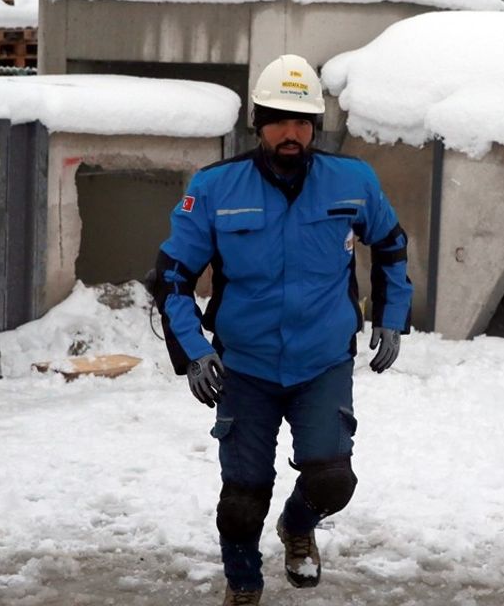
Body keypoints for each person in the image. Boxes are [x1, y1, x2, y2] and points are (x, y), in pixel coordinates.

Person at [151, 55, 412, 606]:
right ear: (257, 123)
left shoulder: (353, 180)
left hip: (322, 361)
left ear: (316, 125)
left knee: (332, 482)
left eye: (301, 121)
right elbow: (171, 277)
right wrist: (195, 352)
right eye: (276, 120)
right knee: (242, 499)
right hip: (244, 365)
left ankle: (297, 527)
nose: (290, 133)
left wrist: (393, 317)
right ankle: (244, 583)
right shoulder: (216, 187)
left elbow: (390, 245)